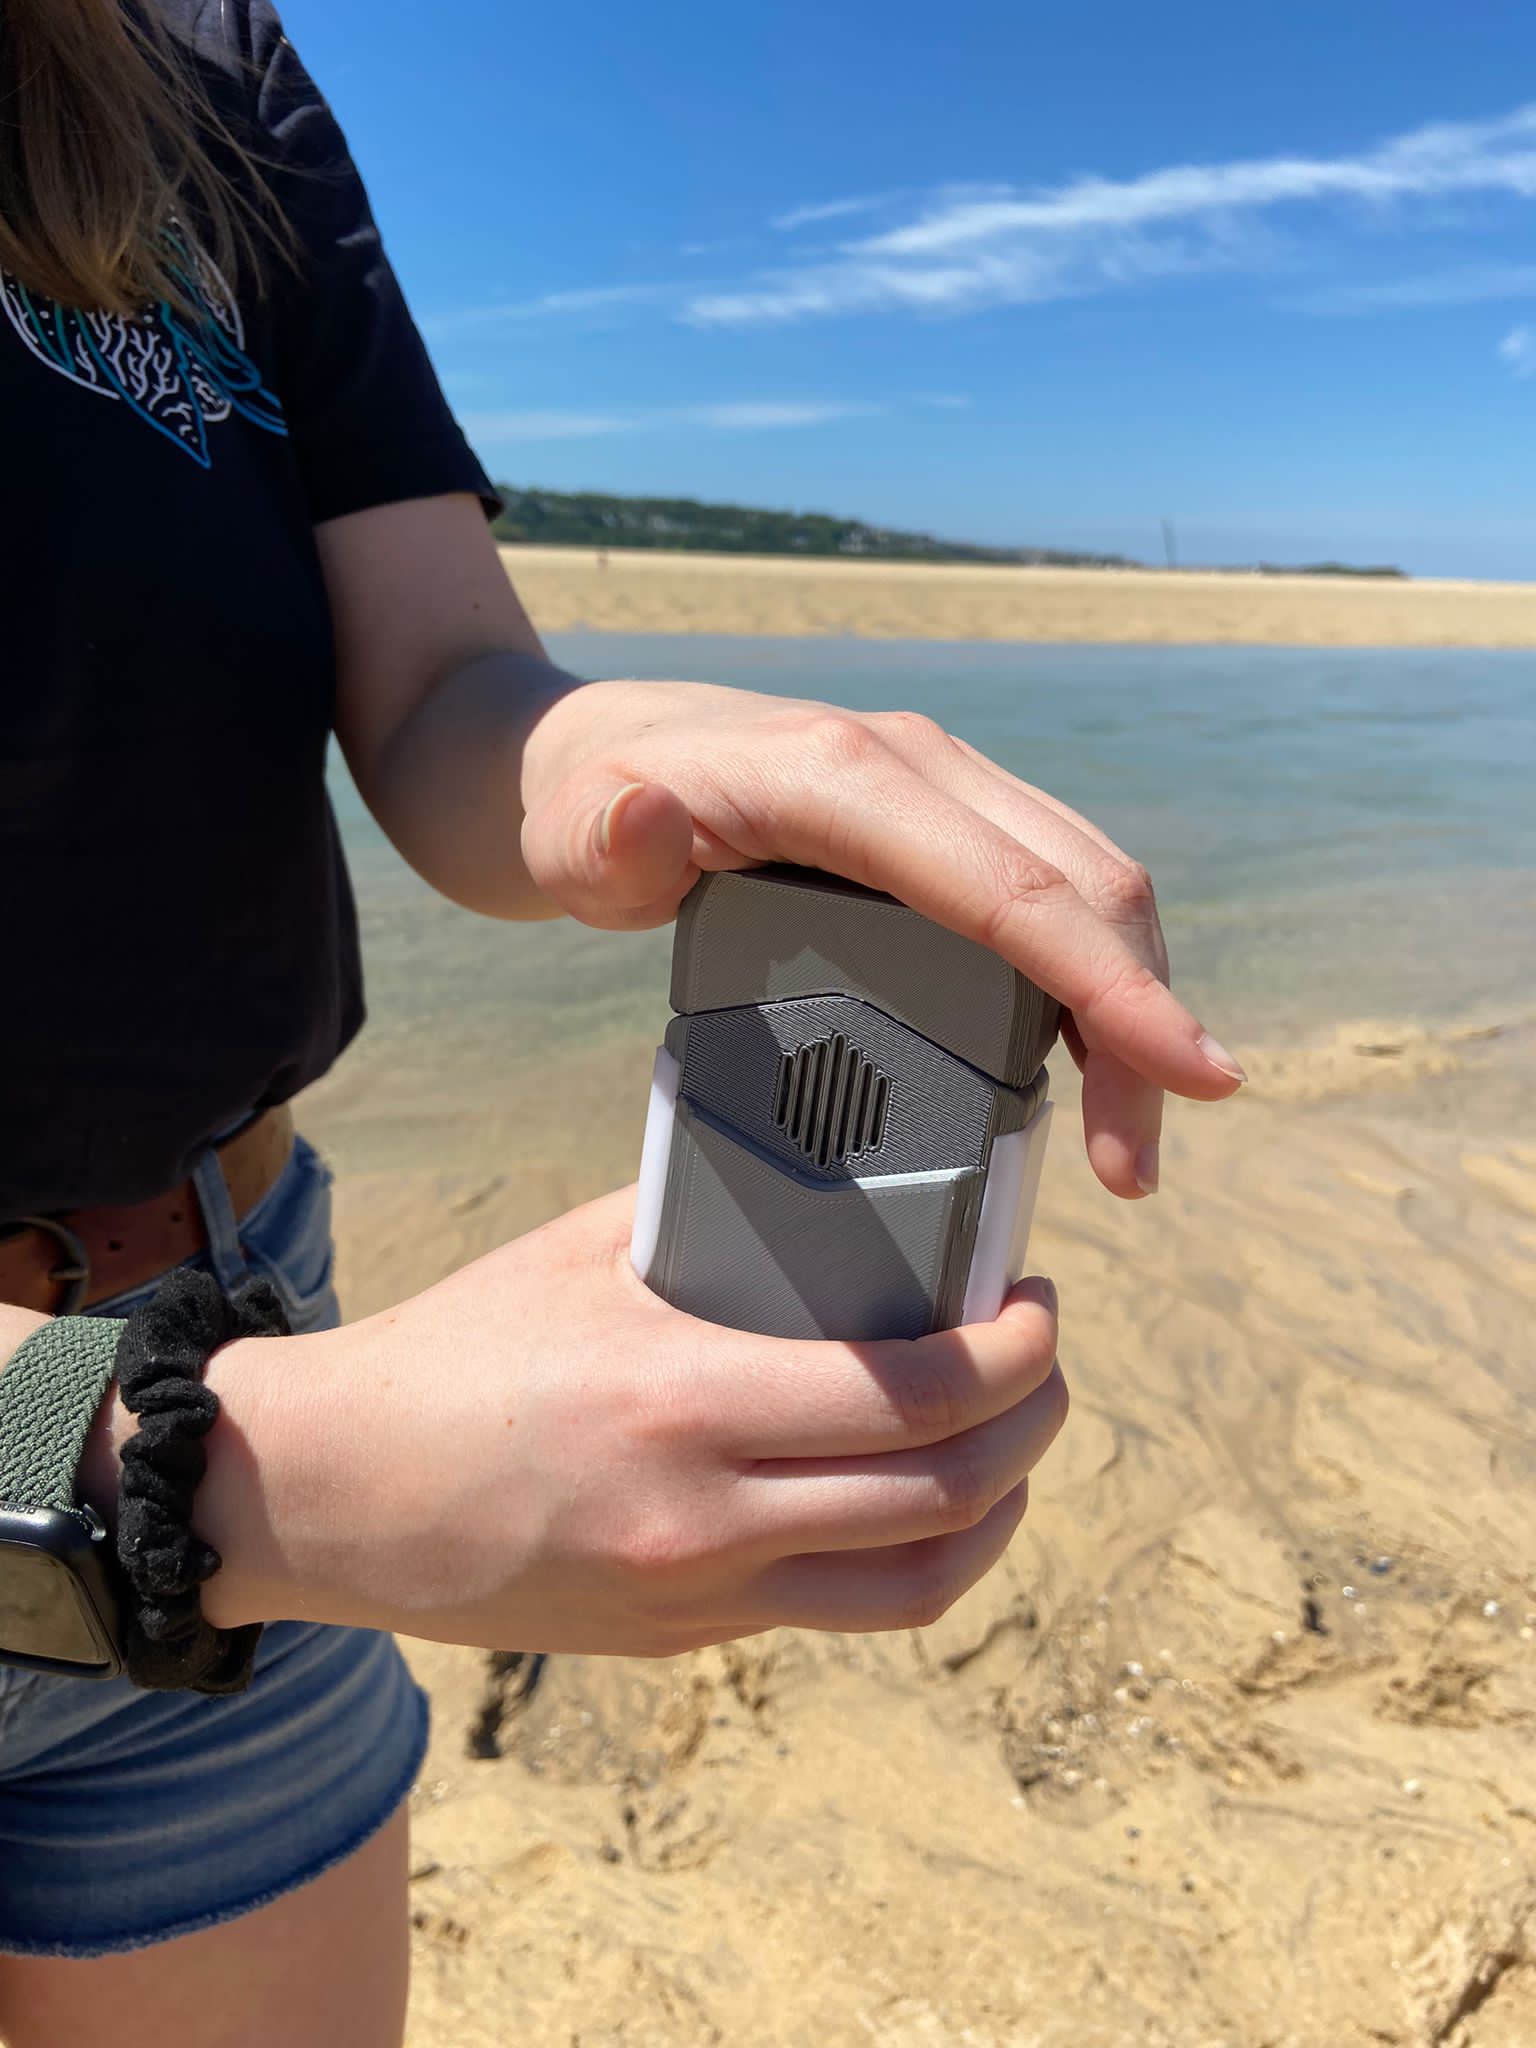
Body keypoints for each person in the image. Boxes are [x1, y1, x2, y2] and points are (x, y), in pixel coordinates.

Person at [0, 1, 1245, 2040]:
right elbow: (235, 1471)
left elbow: (436, 682)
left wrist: (641, 757)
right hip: (230, 1454)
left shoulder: (191, 65)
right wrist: (264, 1479)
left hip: (224, 1325)